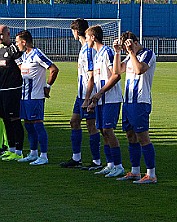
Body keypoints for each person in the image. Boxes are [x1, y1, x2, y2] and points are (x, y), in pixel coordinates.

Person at [113, 31, 157, 184]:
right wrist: (118, 53)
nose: (127, 49)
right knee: (130, 136)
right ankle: (135, 171)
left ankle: (151, 174)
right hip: (128, 101)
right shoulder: (129, 55)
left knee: (143, 137)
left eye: (128, 46)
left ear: (135, 42)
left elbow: (139, 70)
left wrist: (131, 52)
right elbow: (117, 71)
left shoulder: (147, 54)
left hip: (141, 101)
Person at [59, 19, 102, 170]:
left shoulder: (89, 50)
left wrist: (89, 98)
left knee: (91, 125)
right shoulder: (84, 48)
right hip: (80, 94)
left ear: (77, 32)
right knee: (74, 121)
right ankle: (76, 158)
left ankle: (96, 161)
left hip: (87, 94)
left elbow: (91, 75)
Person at [15, 30, 59, 165]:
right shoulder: (25, 56)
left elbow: (54, 69)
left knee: (38, 125)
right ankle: (33, 153)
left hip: (35, 96)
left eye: (17, 42)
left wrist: (48, 86)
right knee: (28, 125)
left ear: (24, 42)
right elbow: (21, 68)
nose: (16, 45)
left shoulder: (37, 54)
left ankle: (44, 156)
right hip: (25, 96)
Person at [86, 25, 124, 178]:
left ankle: (119, 165)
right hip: (101, 100)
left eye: (88, 36)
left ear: (93, 37)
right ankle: (110, 164)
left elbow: (116, 75)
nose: (87, 39)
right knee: (103, 131)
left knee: (108, 130)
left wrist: (100, 93)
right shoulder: (96, 55)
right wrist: (93, 99)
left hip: (111, 98)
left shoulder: (108, 51)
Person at [0, 25, 24, 161]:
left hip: (12, 90)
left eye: (1, 35)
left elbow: (22, 68)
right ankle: (11, 149)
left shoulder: (14, 50)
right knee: (5, 119)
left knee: (14, 119)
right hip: (1, 91)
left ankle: (19, 151)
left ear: (8, 34)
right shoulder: (0, 49)